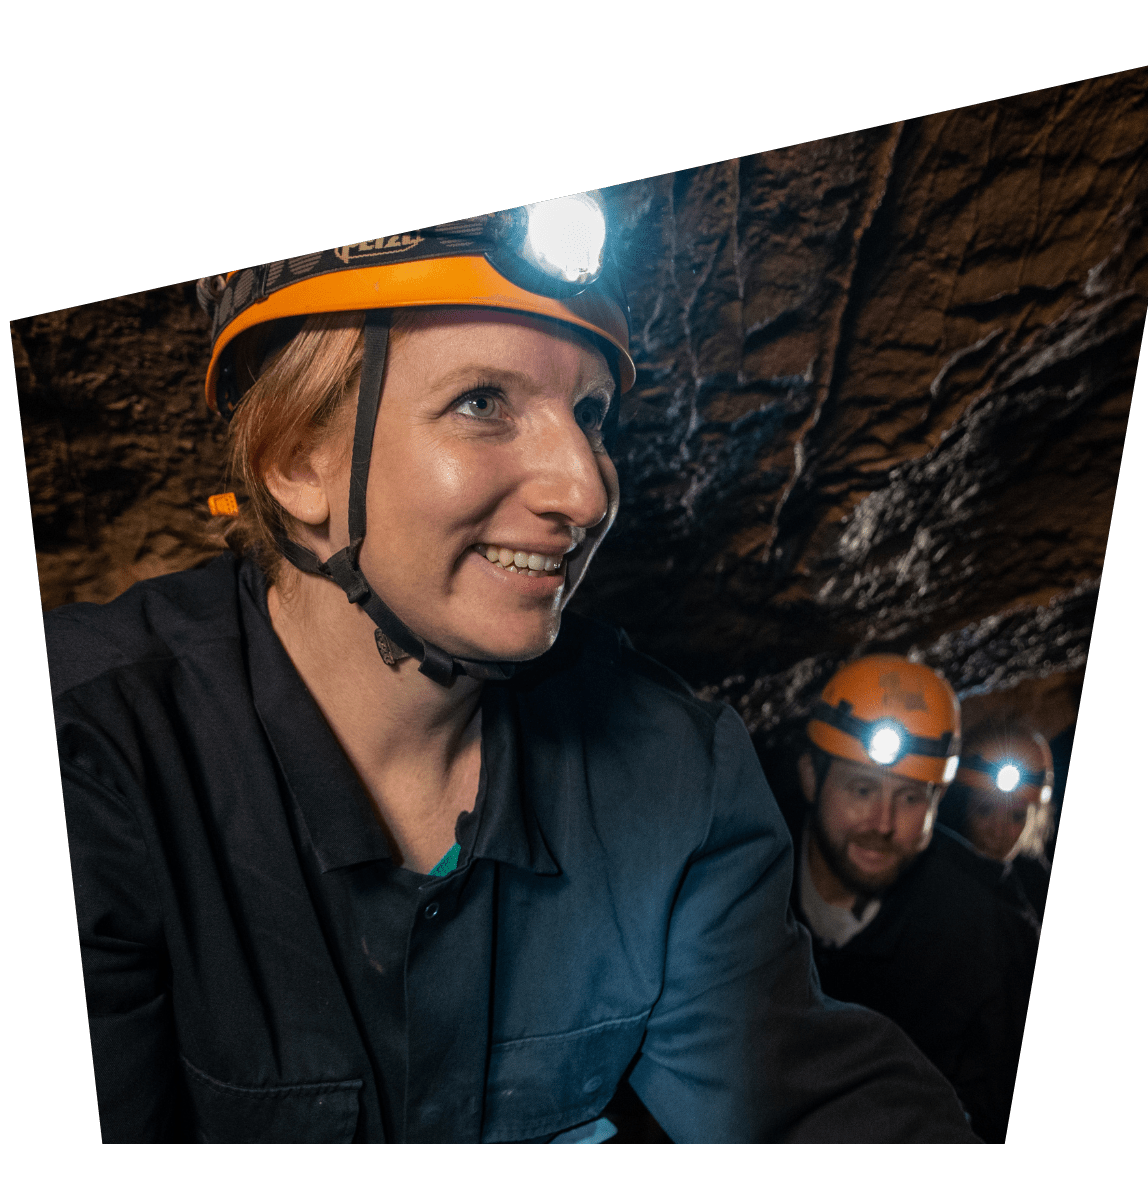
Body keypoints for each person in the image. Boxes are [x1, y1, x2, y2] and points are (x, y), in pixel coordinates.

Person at [47, 196, 977, 1143]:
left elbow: (802, 1105)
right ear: (297, 459)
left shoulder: (671, 776)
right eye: (482, 404)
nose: (584, 490)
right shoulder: (86, 758)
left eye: (591, 415)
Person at [778, 654, 1040, 1143]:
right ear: (811, 778)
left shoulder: (987, 931)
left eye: (911, 798)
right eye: (861, 789)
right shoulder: (740, 881)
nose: (882, 823)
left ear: (937, 805)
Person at [939, 725, 1057, 921]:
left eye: (1017, 817)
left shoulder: (1038, 893)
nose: (998, 831)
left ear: (1035, 821)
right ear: (962, 806)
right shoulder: (930, 878)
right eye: (985, 810)